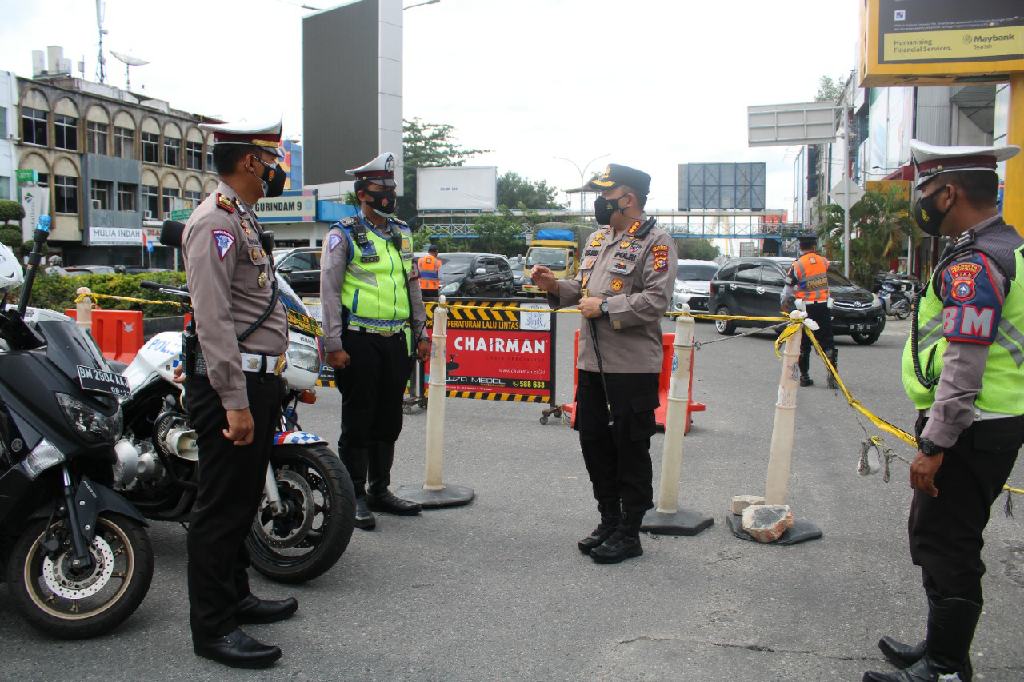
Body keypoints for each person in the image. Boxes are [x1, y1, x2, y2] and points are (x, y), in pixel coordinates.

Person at [863, 140, 1024, 682]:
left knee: (947, 545)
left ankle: (947, 668)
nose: (922, 201)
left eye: (926, 191)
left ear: (949, 191)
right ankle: (941, 647)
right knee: (943, 538)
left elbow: (964, 364)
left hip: (970, 428)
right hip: (990, 423)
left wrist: (935, 444)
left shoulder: (976, 263)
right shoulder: (1008, 247)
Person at [182, 119, 295, 669]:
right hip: (234, 383)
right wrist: (233, 399)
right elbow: (213, 318)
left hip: (257, 378)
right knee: (220, 508)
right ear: (250, 161)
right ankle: (213, 628)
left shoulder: (240, 219)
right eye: (271, 159)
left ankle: (236, 597)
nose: (277, 169)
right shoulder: (212, 224)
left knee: (242, 497)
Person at [531, 164, 676, 564]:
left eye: (605, 195)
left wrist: (607, 306)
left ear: (627, 199)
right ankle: (608, 519)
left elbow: (657, 301)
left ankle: (630, 531)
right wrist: (554, 287)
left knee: (629, 446)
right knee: (593, 439)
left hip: (631, 366)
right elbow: (582, 289)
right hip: (592, 363)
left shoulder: (657, 242)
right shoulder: (598, 239)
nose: (598, 202)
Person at [320, 152, 430, 531]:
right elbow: (330, 293)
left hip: (396, 340)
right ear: (362, 193)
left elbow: (412, 283)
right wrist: (332, 342)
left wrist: (421, 331)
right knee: (359, 420)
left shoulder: (401, 233)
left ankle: (380, 489)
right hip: (359, 340)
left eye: (391, 188)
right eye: (381, 189)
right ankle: (353, 497)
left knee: (389, 418)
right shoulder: (342, 234)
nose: (389, 195)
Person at [781, 233, 836, 386]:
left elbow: (788, 289)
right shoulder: (823, 261)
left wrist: (785, 302)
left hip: (805, 310)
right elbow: (826, 268)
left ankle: (804, 377)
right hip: (823, 307)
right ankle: (832, 377)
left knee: (804, 343)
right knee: (827, 342)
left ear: (800, 247)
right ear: (814, 246)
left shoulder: (797, 265)